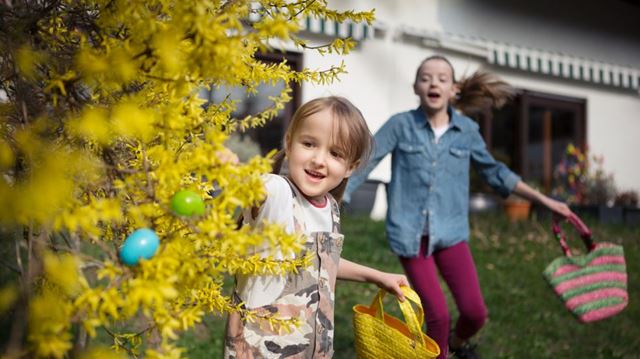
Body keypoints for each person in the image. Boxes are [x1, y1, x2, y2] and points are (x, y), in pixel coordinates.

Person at [343, 55, 573, 359]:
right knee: (438, 316)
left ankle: (454, 347)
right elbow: (366, 161)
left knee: (475, 313)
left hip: (451, 233)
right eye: (425, 78)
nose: (433, 82)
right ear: (415, 87)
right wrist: (335, 200)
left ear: (453, 90)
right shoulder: (401, 125)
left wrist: (544, 200)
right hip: (411, 236)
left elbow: (495, 172)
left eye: (441, 78)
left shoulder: (466, 130)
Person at [224, 96, 409, 358]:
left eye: (335, 153)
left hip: (312, 347)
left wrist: (377, 276)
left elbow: (322, 264)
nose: (319, 159)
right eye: (309, 144)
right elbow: (256, 189)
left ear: (350, 167)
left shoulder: (330, 208)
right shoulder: (278, 193)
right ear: (289, 143)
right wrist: (232, 170)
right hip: (262, 348)